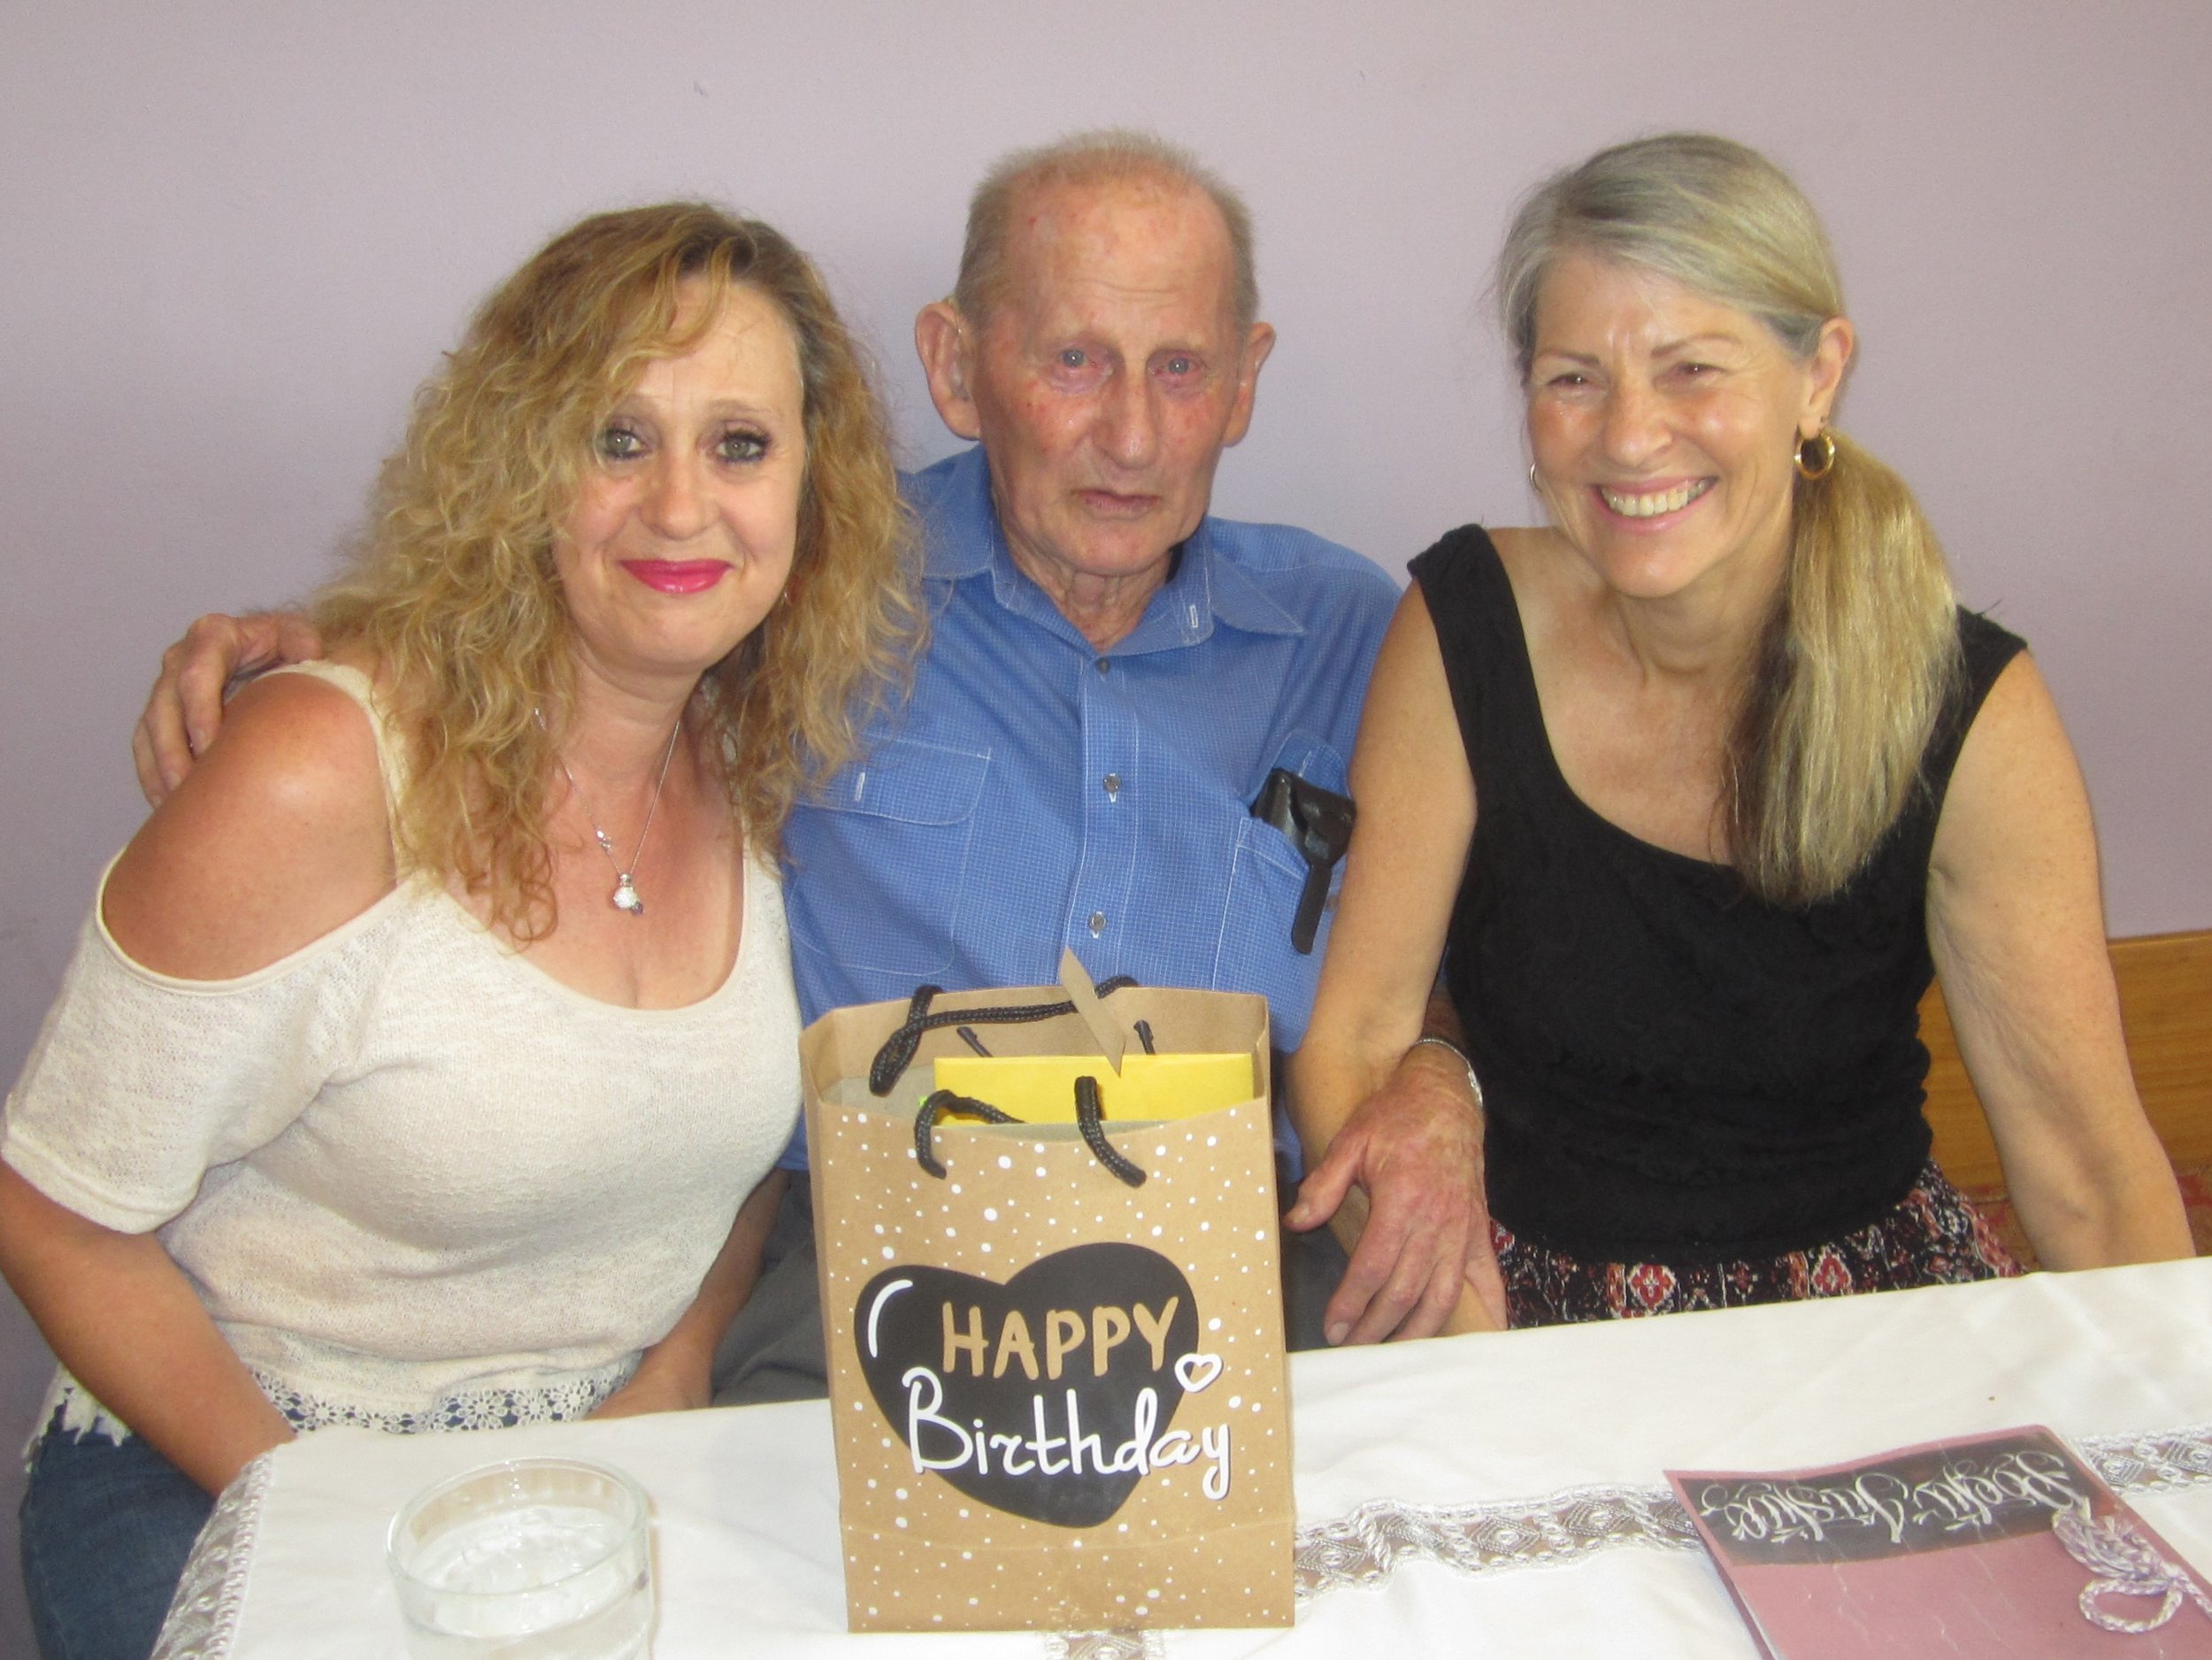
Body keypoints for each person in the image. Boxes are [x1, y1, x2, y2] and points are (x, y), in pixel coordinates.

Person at [127, 133, 1431, 1386]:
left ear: (1246, 380)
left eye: (1182, 368)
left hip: (1238, 1259)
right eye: (1076, 361)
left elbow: (1455, 952)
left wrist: (1443, 1075)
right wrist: (338, 660)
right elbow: (574, 617)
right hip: (873, 1259)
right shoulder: (803, 588)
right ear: (957, 366)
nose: (1133, 436)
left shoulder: (1357, 637)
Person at [2, 202, 915, 1660]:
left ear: (811, 489)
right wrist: (317, 1506)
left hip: (598, 1473)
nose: (682, 505)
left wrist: (676, 1372)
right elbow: (49, 1209)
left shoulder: (748, 760)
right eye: (618, 438)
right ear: (519, 465)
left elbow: (737, 1156)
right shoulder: (322, 769)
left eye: (740, 444)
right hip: (233, 1451)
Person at [1289, 133, 2192, 1333]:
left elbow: (2089, 1179)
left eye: (1692, 370)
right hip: (1513, 1315)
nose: (1628, 436)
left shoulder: (1967, 711)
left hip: (1865, 1332)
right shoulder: (1461, 630)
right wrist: (1483, 1360)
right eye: (1574, 378)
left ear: (1818, 377)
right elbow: (1354, 1042)